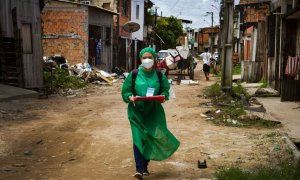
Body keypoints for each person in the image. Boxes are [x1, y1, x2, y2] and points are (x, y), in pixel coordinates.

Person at [121, 47, 180, 179]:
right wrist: (129, 97)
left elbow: (166, 90)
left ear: (154, 59)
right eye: (144, 57)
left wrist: (163, 97)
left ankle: (144, 166)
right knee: (138, 139)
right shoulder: (134, 74)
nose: (147, 60)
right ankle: (139, 168)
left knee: (150, 139)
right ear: (140, 59)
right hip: (137, 112)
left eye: (149, 57)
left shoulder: (159, 75)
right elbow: (126, 90)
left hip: (153, 113)